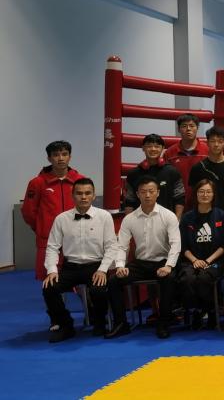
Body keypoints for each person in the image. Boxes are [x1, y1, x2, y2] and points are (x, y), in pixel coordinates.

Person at [105, 176, 181, 339]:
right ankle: (121, 323)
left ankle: (164, 323)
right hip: (140, 263)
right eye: (143, 192)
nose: (147, 195)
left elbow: (176, 244)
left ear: (157, 193)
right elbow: (122, 246)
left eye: (151, 191)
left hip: (162, 261)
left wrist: (169, 266)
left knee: (169, 279)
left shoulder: (168, 216)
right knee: (113, 281)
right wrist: (120, 266)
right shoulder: (129, 219)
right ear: (137, 194)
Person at [41, 178, 115, 342]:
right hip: (70, 267)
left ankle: (100, 322)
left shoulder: (104, 217)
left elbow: (111, 247)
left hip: (95, 266)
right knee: (49, 288)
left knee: (98, 290)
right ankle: (65, 324)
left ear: (94, 195)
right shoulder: (61, 219)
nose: (83, 197)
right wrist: (52, 270)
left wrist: (103, 270)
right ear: (72, 195)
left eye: (88, 193)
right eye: (79, 193)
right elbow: (52, 247)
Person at [22, 140, 85, 280]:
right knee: (50, 281)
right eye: (56, 155)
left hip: (76, 238)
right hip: (48, 240)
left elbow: (86, 208)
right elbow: (28, 212)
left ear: (70, 156)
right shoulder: (37, 182)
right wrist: (41, 227)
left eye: (65, 154)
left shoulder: (81, 181)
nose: (61, 158)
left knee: (79, 279)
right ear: (49, 158)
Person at [176, 179, 224, 330]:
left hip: (215, 260)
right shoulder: (187, 218)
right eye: (201, 192)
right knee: (187, 279)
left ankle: (211, 310)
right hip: (191, 260)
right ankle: (197, 310)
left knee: (204, 278)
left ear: (214, 194)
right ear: (196, 194)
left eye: (208, 192)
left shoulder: (222, 216)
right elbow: (183, 246)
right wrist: (195, 260)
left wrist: (208, 260)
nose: (205, 195)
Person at [124, 134, 185, 218]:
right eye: (149, 146)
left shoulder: (172, 172)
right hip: (140, 220)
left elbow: (179, 197)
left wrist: (177, 220)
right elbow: (129, 200)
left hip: (166, 220)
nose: (153, 149)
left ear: (163, 148)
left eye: (157, 146)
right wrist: (128, 221)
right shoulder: (133, 174)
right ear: (143, 148)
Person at [190, 126, 224, 212]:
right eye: (212, 141)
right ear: (207, 143)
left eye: (220, 141)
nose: (216, 145)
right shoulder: (198, 168)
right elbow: (194, 194)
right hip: (204, 214)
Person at [163, 113, 208, 209]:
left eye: (192, 126)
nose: (188, 129)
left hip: (202, 203)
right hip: (176, 204)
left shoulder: (207, 151)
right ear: (179, 129)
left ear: (197, 128)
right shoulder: (169, 153)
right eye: (184, 126)